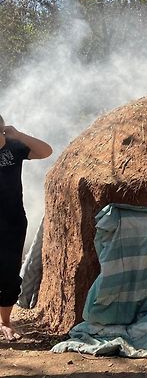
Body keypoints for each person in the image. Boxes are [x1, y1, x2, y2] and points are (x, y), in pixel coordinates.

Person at [0, 115, 52, 341]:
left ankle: (5, 322)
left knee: (9, 274)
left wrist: (19, 134)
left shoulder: (15, 147)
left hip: (13, 221)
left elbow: (46, 151)